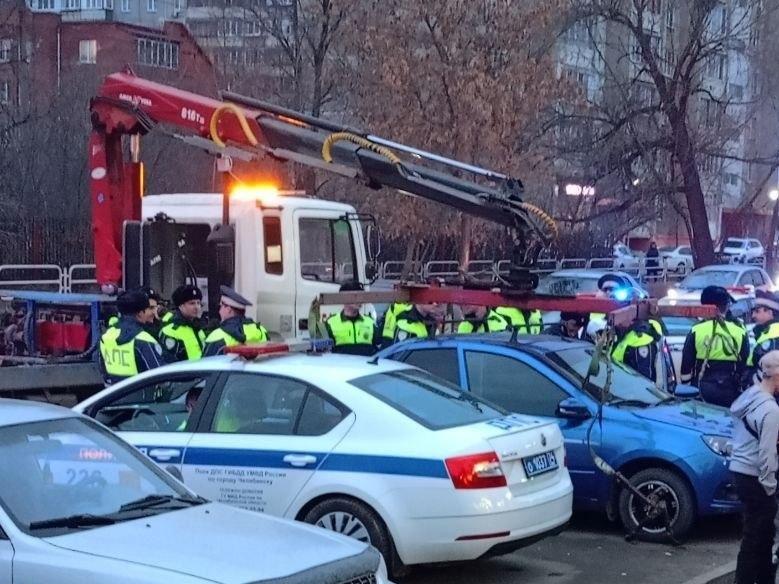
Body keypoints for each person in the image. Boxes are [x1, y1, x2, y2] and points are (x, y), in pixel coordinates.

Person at [729, 350, 779, 584]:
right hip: (755, 476)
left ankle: (764, 579)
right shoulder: (771, 410)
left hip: (740, 470)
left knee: (762, 535)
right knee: (755, 539)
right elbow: (767, 455)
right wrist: (770, 488)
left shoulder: (749, 396)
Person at [680, 285, 748, 407]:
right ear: (725, 306)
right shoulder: (740, 330)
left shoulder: (696, 330)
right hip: (729, 390)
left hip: (701, 389)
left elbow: (686, 363)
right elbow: (744, 362)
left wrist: (686, 388)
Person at [98, 289, 165, 385]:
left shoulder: (106, 336)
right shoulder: (144, 339)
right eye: (148, 309)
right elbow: (160, 375)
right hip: (143, 393)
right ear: (140, 313)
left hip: (115, 392)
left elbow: (103, 371)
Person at [202, 286, 268, 357]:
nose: (219, 311)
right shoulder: (261, 330)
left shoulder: (217, 336)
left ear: (228, 309)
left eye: (221, 306)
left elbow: (206, 362)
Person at [325, 281, 378, 356]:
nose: (360, 300)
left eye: (362, 296)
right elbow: (324, 352)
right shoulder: (330, 323)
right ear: (344, 298)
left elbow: (378, 347)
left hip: (365, 363)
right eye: (356, 296)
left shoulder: (370, 322)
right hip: (342, 363)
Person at [159, 284, 206, 362]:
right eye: (192, 303)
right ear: (181, 306)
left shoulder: (197, 327)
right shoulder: (171, 330)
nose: (196, 307)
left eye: (198, 303)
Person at [746, 290, 779, 379]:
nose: (753, 316)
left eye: (757, 311)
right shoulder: (766, 333)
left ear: (770, 313)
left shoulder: (773, 335)